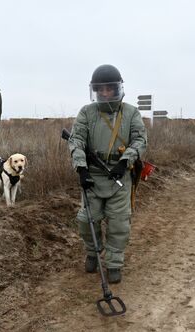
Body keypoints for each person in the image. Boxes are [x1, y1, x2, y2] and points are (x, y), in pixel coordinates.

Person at [68, 64, 147, 284]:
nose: (104, 93)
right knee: (86, 221)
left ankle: (114, 264)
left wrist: (125, 162)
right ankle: (93, 252)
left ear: (116, 88)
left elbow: (140, 140)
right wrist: (81, 168)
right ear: (94, 90)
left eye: (109, 88)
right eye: (100, 89)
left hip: (120, 177)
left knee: (119, 223)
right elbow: (76, 141)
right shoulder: (87, 112)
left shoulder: (131, 113)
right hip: (92, 177)